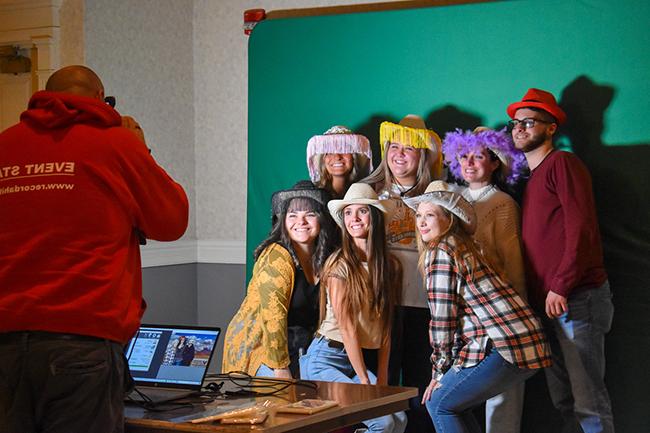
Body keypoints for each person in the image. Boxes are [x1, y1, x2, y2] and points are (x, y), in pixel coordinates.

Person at [0, 65, 189, 433]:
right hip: (81, 343)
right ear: (101, 99)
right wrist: (140, 147)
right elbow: (171, 221)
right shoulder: (116, 145)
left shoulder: (4, 145)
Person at [403, 180, 551, 433]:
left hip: (504, 346)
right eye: (419, 215)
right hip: (526, 343)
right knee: (454, 406)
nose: (422, 222)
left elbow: (442, 320)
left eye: (430, 215)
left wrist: (439, 373)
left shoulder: (441, 251)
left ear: (448, 220)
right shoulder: (464, 247)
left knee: (438, 403)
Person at [507, 88, 614, 433]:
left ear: (551, 127)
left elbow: (581, 229)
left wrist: (561, 286)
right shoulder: (532, 178)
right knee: (563, 400)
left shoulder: (562, 164)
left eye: (528, 121)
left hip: (575, 299)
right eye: (514, 123)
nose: (519, 128)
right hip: (548, 305)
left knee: (588, 401)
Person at [300, 182, 406, 433]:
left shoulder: (389, 266)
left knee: (399, 418)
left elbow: (385, 329)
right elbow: (347, 329)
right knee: (383, 422)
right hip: (324, 360)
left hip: (350, 361)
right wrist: (365, 381)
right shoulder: (339, 267)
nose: (354, 218)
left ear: (375, 217)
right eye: (348, 212)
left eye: (362, 211)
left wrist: (381, 379)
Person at [442, 127, 528, 433]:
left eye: (478, 156)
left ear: (494, 163)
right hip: (462, 312)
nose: (469, 163)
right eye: (464, 156)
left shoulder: (503, 204)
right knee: (455, 396)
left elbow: (514, 262)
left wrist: (517, 313)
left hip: (497, 310)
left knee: (502, 398)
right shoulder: (452, 199)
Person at [362, 114, 443, 432]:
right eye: (393, 146)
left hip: (426, 305)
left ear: (422, 155)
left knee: (421, 383)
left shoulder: (437, 194)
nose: (398, 154)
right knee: (380, 384)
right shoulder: (369, 193)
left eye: (408, 149)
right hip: (380, 303)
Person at [222, 181, 337, 378]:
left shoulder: (324, 260)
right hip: (261, 351)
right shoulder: (276, 256)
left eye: (310, 214)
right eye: (293, 215)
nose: (301, 221)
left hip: (299, 352)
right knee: (286, 401)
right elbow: (273, 317)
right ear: (282, 221)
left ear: (322, 219)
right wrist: (280, 368)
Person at [306, 125, 373, 199]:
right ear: (323, 160)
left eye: (344, 150)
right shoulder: (313, 195)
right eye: (330, 152)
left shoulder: (366, 193)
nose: (338, 157)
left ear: (354, 157)